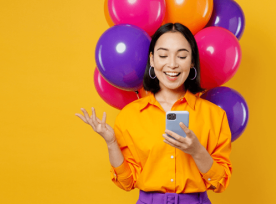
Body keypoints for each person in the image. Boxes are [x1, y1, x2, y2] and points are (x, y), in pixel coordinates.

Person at [75, 23, 232, 204]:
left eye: (181, 56)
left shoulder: (214, 115)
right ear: (152, 59)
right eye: (163, 55)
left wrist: (197, 151)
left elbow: (221, 183)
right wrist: (111, 142)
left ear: (192, 61)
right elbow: (127, 183)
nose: (172, 64)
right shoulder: (130, 115)